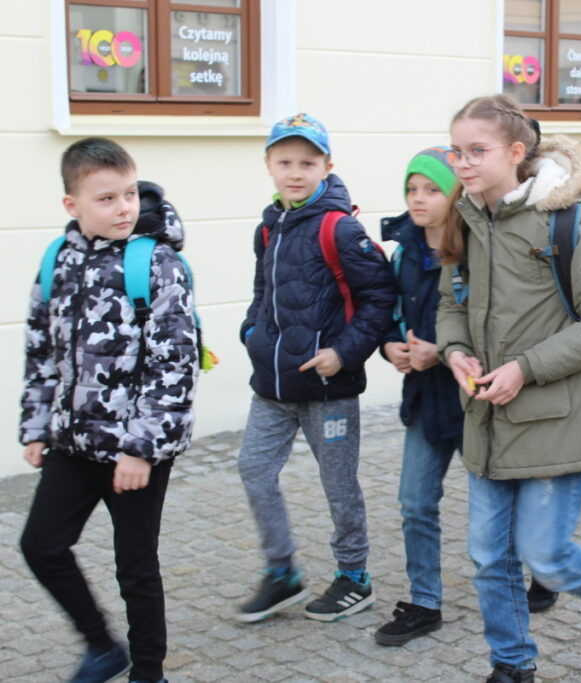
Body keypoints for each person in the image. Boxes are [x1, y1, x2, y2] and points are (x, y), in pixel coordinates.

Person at [436, 94, 581, 682]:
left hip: (558, 415)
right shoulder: (466, 218)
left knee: (545, 556)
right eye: (457, 151)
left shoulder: (564, 219)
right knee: (488, 559)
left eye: (477, 151)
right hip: (488, 418)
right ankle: (512, 666)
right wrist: (455, 352)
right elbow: (448, 306)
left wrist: (523, 369)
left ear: (516, 151)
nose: (464, 163)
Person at [19, 137, 199, 683]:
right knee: (41, 545)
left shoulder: (157, 262)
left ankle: (149, 672)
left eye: (128, 194)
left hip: (136, 449)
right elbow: (40, 349)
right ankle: (102, 646)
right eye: (106, 199)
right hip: (73, 443)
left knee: (136, 568)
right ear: (71, 205)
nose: (123, 208)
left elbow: (176, 365)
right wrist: (35, 425)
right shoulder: (58, 259)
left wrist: (140, 449)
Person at [235, 113, 396, 622]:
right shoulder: (268, 228)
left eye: (308, 162)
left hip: (328, 388)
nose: (296, 172)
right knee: (253, 468)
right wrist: (251, 333)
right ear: (268, 165)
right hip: (273, 385)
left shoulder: (341, 228)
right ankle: (282, 572)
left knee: (339, 484)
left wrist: (343, 353)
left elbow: (378, 297)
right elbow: (264, 293)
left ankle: (354, 576)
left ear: (327, 166)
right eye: (285, 162)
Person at [374, 147, 464, 646]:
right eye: (412, 189)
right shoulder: (403, 249)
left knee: (501, 505)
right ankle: (425, 601)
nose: (419, 198)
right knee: (414, 501)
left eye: (431, 189)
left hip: (476, 399)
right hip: (425, 398)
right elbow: (387, 312)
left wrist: (445, 352)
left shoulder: (475, 248)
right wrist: (392, 346)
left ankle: (528, 577)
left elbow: (494, 325)